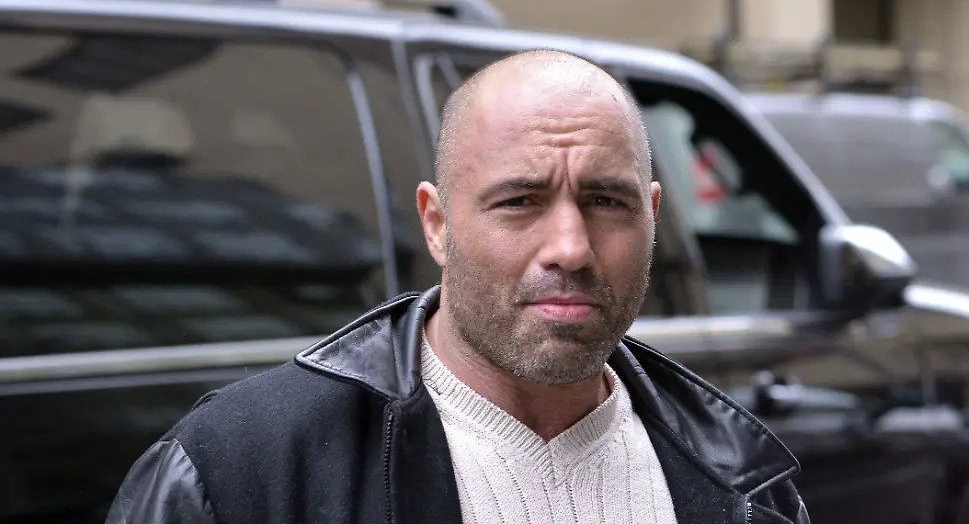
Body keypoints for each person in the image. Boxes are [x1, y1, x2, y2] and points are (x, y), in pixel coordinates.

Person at [105, 50, 810, 524]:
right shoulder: (238, 471)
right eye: (520, 201)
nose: (570, 247)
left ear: (651, 218)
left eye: (606, 201)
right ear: (437, 225)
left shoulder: (743, 481)